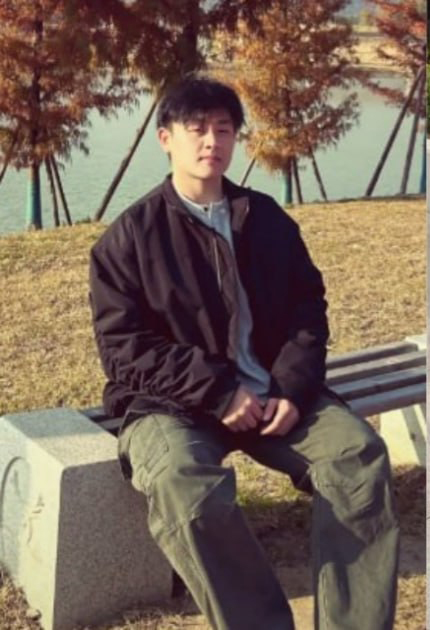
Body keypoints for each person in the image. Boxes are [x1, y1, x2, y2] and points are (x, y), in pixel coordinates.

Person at [89, 76, 399, 630]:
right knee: (188, 489)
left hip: (273, 396)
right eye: (197, 129)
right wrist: (218, 391)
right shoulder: (129, 237)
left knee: (358, 456)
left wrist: (292, 388)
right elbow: (123, 349)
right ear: (166, 138)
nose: (212, 141)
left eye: (224, 129)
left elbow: (308, 308)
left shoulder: (266, 218)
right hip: (174, 406)